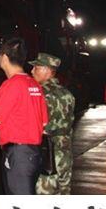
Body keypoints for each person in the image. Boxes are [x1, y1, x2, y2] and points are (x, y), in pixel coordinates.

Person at [0, 37, 47, 195]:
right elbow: (43, 122)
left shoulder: (12, 84)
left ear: (4, 57)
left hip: (18, 156)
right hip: (33, 152)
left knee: (19, 207)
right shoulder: (34, 85)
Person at [29, 53, 76, 195]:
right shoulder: (67, 93)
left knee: (46, 195)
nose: (32, 71)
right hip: (65, 152)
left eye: (36, 67)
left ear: (46, 70)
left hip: (46, 153)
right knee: (64, 191)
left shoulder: (38, 94)